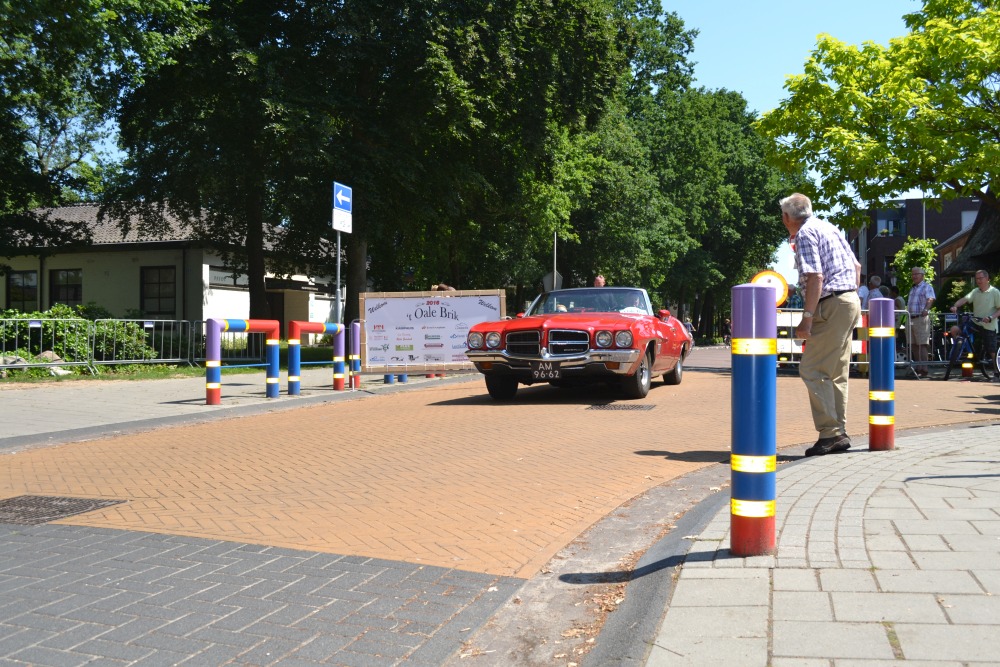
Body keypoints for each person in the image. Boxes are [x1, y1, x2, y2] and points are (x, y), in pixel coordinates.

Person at [780, 192, 861, 457]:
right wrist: (846, 295)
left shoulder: (804, 234)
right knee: (836, 372)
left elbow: (815, 276)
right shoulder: (829, 228)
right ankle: (838, 431)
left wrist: (808, 316)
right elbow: (857, 266)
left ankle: (830, 434)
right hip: (848, 300)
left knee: (812, 369)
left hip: (830, 303)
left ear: (787, 217)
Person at [949, 269, 1000, 381]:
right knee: (955, 329)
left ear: (987, 279)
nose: (978, 281)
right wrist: (955, 306)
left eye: (981, 278)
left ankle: (997, 371)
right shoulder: (975, 291)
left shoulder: (995, 292)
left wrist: (991, 318)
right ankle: (959, 352)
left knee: (992, 350)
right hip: (976, 322)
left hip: (989, 324)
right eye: (977, 279)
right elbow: (965, 299)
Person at [906, 266, 936, 378]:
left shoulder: (926, 287)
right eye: (912, 274)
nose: (914, 276)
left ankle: (924, 369)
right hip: (911, 318)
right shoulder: (913, 288)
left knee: (922, 344)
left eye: (916, 274)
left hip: (920, 318)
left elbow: (931, 299)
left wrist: (926, 309)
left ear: (922, 275)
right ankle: (918, 367)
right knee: (913, 344)